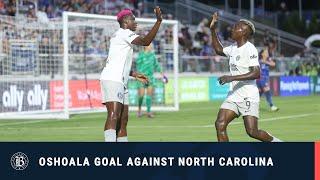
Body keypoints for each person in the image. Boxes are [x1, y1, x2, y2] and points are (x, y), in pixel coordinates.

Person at [210, 12, 282, 142]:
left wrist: (231, 78)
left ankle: (277, 143)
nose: (233, 29)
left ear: (243, 32)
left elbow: (256, 73)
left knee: (252, 132)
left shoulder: (250, 49)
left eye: (236, 27)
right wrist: (213, 30)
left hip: (248, 95)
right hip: (234, 95)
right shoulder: (232, 48)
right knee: (220, 124)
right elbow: (219, 50)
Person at [99, 7, 162, 142]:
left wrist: (133, 74)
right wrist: (158, 22)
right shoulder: (124, 33)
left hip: (121, 80)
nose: (136, 22)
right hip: (112, 80)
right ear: (126, 21)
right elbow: (146, 42)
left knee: (123, 119)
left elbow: (116, 61)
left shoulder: (120, 36)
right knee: (113, 115)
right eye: (133, 19)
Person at [136, 44, 165, 118]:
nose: (151, 46)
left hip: (150, 78)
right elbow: (137, 66)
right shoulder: (141, 55)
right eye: (150, 45)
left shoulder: (152, 55)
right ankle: (139, 110)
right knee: (141, 95)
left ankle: (148, 112)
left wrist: (161, 72)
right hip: (142, 77)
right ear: (145, 46)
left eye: (152, 45)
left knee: (149, 95)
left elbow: (156, 65)